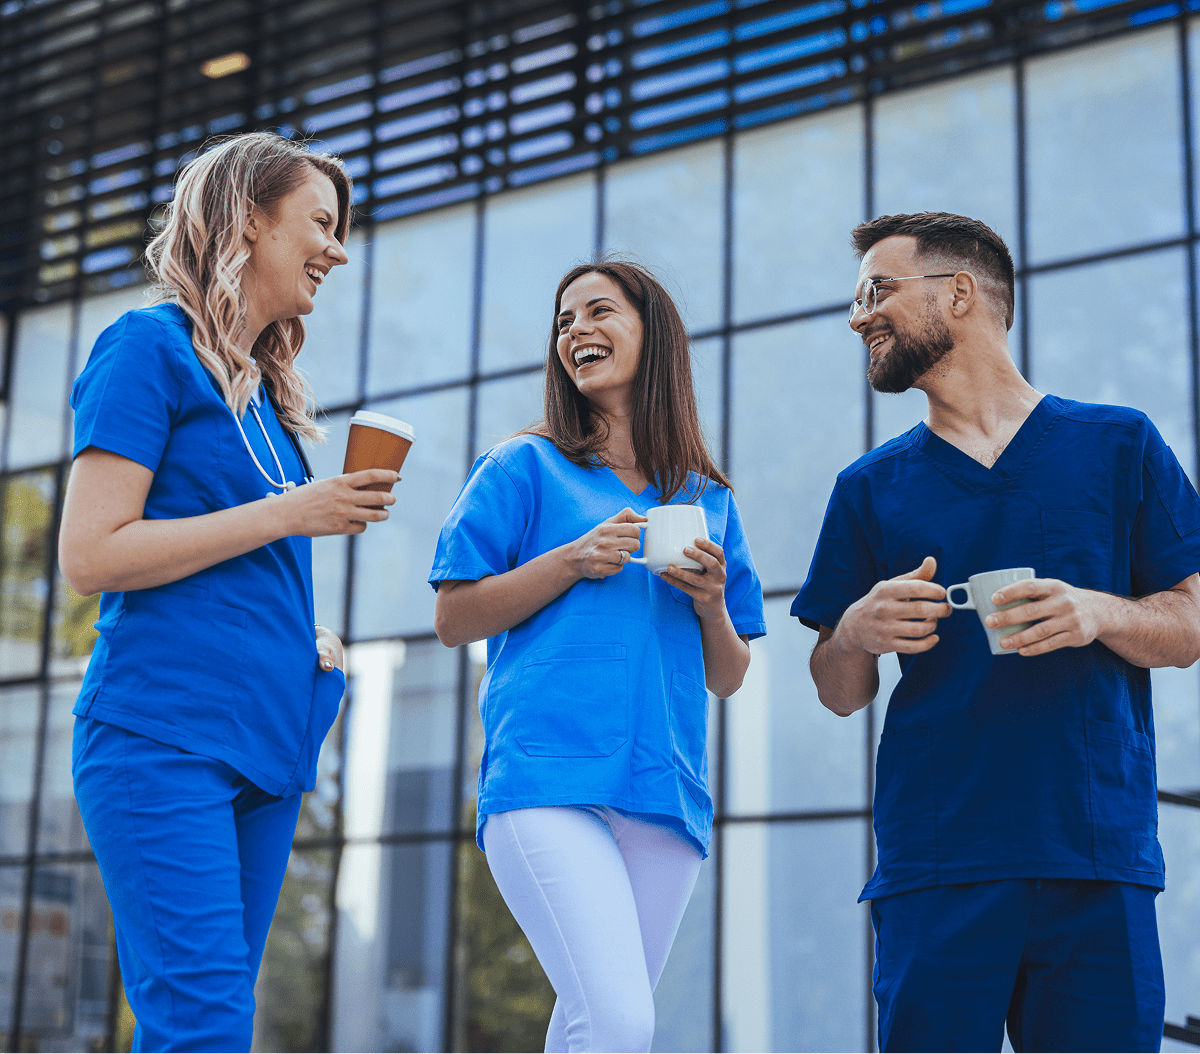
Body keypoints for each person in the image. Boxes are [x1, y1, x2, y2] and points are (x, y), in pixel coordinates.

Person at [792, 211, 1200, 1054]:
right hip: (938, 866)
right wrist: (857, 633)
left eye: (876, 290)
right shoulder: (868, 488)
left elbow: (1189, 623)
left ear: (962, 293)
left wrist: (1101, 611)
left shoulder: (1118, 444)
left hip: (1096, 857)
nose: (858, 316)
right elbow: (836, 692)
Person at [58, 133, 399, 1053]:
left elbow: (227, 561)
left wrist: (304, 635)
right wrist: (293, 517)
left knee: (209, 1024)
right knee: (201, 1026)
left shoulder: (268, 406)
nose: (335, 248)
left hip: (267, 749)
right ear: (249, 215)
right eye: (319, 223)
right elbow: (91, 554)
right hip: (164, 739)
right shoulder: (147, 347)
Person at [431, 259, 765, 1054]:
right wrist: (571, 560)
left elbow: (729, 673)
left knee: (594, 1026)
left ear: (655, 335)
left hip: (664, 793)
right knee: (617, 1022)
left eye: (598, 312)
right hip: (549, 780)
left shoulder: (706, 499)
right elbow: (453, 617)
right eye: (563, 321)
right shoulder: (525, 465)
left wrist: (712, 604)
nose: (575, 330)